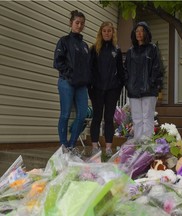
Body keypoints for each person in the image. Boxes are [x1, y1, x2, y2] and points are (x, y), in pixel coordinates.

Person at [53, 10, 90, 150]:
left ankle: (72, 145)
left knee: (82, 115)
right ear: (71, 23)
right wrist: (71, 74)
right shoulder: (64, 41)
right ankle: (63, 145)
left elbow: (88, 67)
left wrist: (87, 80)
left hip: (81, 86)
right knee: (65, 114)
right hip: (66, 82)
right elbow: (57, 62)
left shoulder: (85, 46)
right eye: (77, 23)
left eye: (82, 23)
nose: (79, 26)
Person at [89, 21, 124, 156]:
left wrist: (119, 87)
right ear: (101, 33)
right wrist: (90, 87)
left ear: (112, 33)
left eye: (109, 31)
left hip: (112, 90)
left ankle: (108, 148)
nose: (107, 33)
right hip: (96, 89)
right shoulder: (94, 49)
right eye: (104, 31)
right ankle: (94, 147)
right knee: (97, 117)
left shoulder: (117, 50)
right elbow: (90, 69)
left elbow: (121, 71)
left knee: (109, 118)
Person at [124, 21, 163, 140]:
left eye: (142, 31)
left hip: (149, 91)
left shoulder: (152, 49)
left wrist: (152, 85)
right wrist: (128, 85)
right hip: (133, 90)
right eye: (137, 31)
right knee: (136, 118)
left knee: (148, 118)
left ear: (146, 33)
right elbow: (126, 70)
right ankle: (138, 144)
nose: (139, 33)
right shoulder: (131, 51)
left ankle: (147, 146)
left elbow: (157, 69)